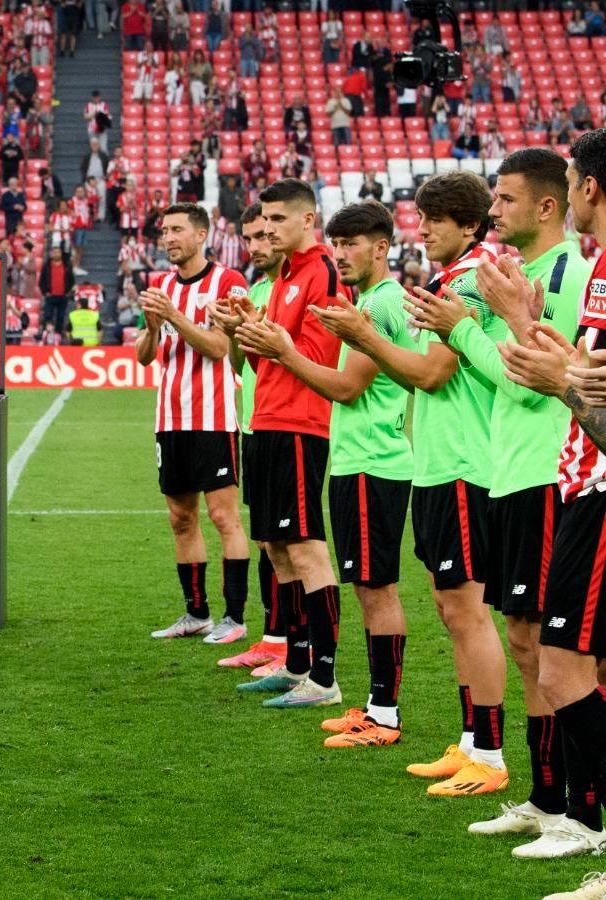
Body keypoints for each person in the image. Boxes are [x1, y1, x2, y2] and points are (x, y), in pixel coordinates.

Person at [408, 151, 597, 846]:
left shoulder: (569, 274)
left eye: (507, 200)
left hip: (551, 472)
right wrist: (465, 322)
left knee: (558, 652)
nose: (495, 212)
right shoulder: (521, 274)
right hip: (509, 472)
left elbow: (526, 379)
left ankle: (580, 810)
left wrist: (461, 327)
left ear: (549, 206)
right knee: (527, 643)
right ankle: (549, 799)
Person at [314, 171, 511, 795]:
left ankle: (491, 756)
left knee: (468, 611)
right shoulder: (449, 282)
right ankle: (473, 742)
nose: (422, 230)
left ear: (470, 225)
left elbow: (430, 374)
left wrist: (364, 336)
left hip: (464, 464)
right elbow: (420, 376)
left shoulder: (476, 281)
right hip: (435, 462)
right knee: (452, 609)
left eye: (436, 220)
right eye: (421, 218)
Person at [237, 200, 419, 747]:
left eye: (353, 244)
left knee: (377, 588)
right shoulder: (361, 300)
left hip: (372, 461)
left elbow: (345, 387)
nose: (342, 255)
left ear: (382, 247)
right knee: (361, 583)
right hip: (352, 459)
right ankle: (361, 698)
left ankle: (364, 701)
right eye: (339, 245)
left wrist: (284, 352)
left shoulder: (378, 304)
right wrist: (260, 340)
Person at [498, 127, 606, 900]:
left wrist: (555, 374)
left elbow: (584, 394)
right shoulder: (599, 270)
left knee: (561, 667)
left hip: (597, 487)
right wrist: (542, 343)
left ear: (587, 189)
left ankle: (584, 818)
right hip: (577, 483)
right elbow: (583, 378)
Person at [222, 179, 345, 710]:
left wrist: (273, 341)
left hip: (299, 423)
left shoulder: (320, 271)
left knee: (306, 548)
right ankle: (295, 663)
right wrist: (247, 329)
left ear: (307, 221)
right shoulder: (285, 277)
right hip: (265, 421)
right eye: (263, 221)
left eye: (277, 220)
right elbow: (260, 360)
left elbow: (317, 357)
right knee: (275, 547)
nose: (267, 229)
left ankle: (325, 675)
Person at [134, 204, 252, 644]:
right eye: (164, 230)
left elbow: (219, 347)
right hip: (170, 417)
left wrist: (175, 318)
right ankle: (196, 613)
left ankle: (235, 618)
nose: (168, 238)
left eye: (177, 230)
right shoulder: (160, 286)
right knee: (180, 518)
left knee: (224, 517)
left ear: (202, 234)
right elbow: (145, 356)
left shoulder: (227, 283)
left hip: (213, 418)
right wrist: (151, 326)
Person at [212, 204, 289, 674]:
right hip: (253, 423)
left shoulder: (295, 286)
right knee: (266, 540)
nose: (258, 246)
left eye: (265, 234)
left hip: (288, 425)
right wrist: (235, 331)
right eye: (251, 238)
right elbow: (242, 364)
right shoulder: (258, 288)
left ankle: (291, 649)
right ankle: (273, 639)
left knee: (287, 544)